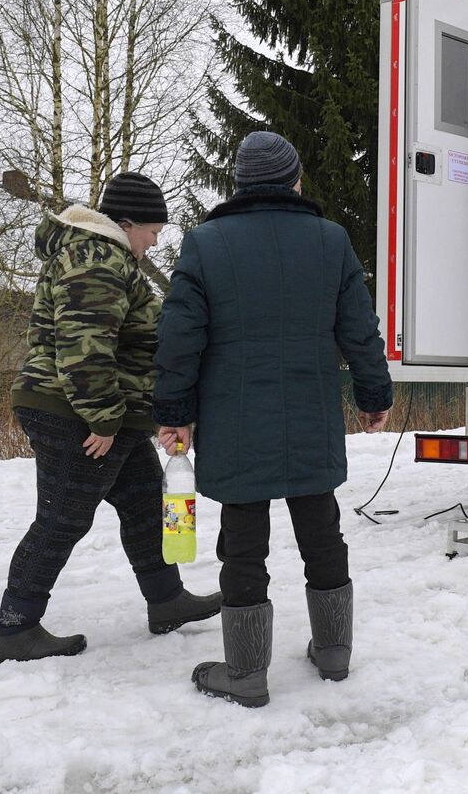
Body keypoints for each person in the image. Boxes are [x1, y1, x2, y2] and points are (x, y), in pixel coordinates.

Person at [154, 131, 393, 708]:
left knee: (242, 544)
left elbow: (180, 337)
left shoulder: (206, 243)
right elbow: (357, 330)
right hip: (310, 410)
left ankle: (246, 673)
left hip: (234, 417)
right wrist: (372, 393)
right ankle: (334, 654)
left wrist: (174, 413)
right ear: (294, 180)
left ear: (239, 183)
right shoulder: (330, 240)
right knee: (322, 530)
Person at [0, 172, 221, 663]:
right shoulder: (97, 258)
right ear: (125, 223)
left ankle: (167, 601)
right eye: (152, 232)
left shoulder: (104, 256)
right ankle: (17, 627)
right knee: (62, 518)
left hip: (100, 410)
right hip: (75, 409)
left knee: (144, 502)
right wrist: (102, 419)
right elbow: (84, 347)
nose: (154, 243)